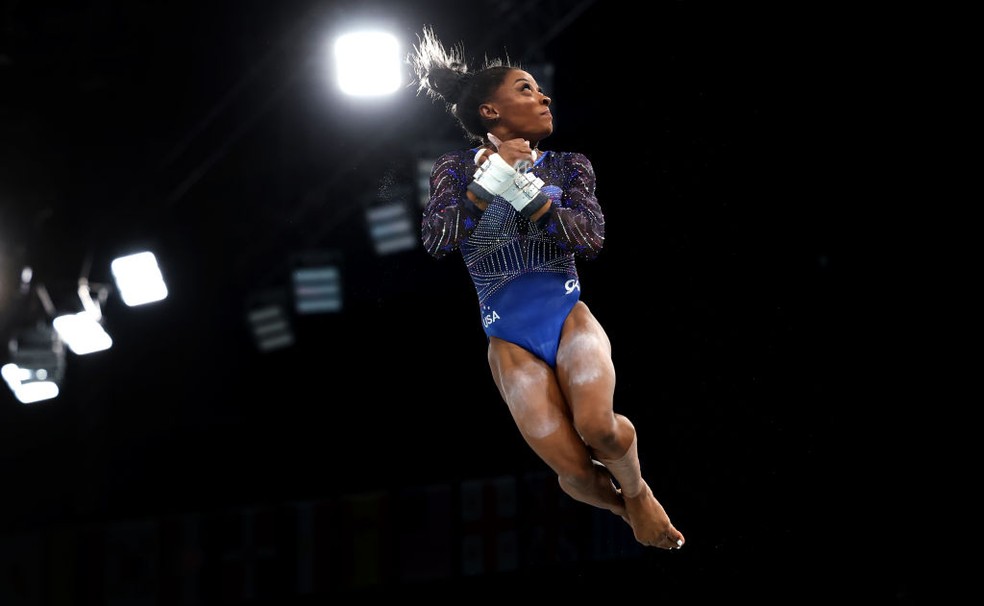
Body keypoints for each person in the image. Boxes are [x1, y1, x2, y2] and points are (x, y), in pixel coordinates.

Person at [407, 26, 685, 550]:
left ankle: (639, 490)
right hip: (507, 337)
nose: (543, 95)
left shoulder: (569, 165)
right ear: (491, 111)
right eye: (526, 88)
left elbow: (591, 239)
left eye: (537, 87)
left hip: (566, 314)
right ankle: (626, 512)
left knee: (600, 429)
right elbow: (439, 240)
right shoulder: (454, 169)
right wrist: (490, 184)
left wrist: (523, 187)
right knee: (577, 475)